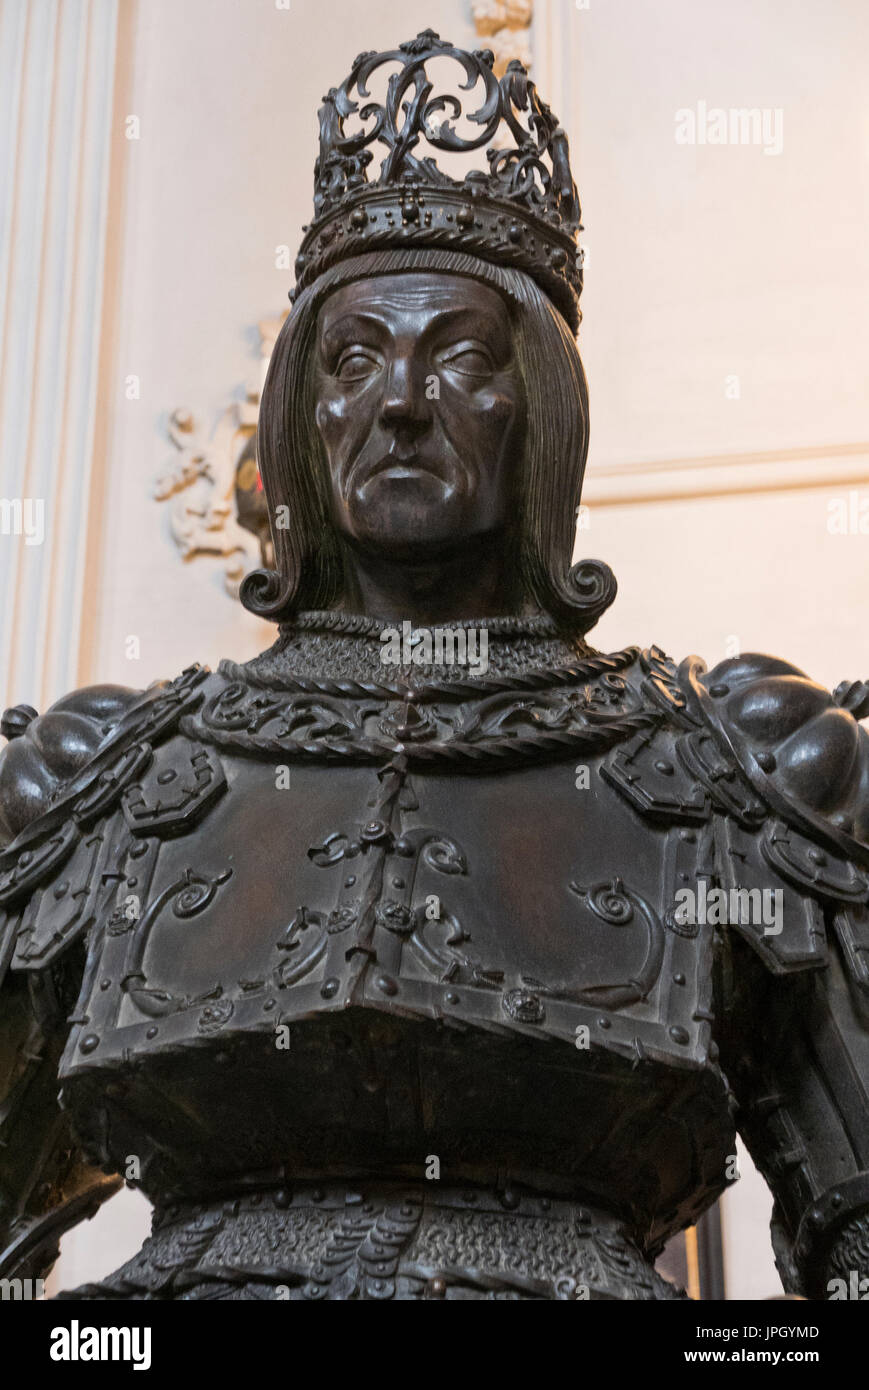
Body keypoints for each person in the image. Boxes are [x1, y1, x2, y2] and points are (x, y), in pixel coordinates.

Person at [1, 30, 867, 1301]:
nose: (399, 400)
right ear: (306, 411)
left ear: (543, 405)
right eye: (353, 360)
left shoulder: (736, 771)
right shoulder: (107, 783)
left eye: (459, 354)